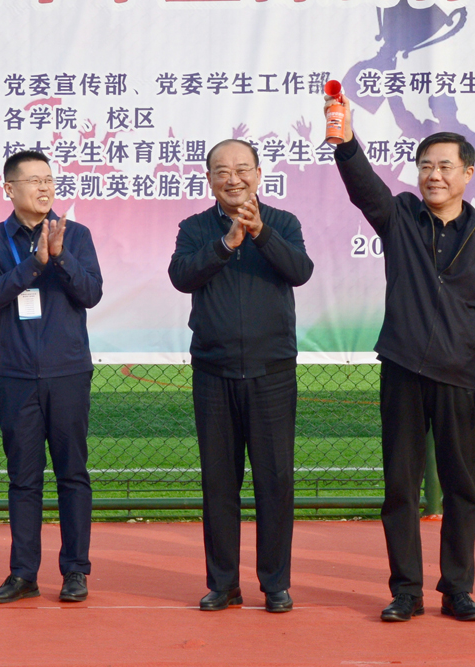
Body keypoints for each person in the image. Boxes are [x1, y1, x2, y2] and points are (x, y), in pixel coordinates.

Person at [326, 95, 475, 622]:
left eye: (445, 166)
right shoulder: (401, 217)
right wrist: (346, 141)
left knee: (461, 490)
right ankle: (406, 591)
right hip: (403, 370)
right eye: (426, 166)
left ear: (468, 173)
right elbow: (365, 189)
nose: (434, 175)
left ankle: (457, 590)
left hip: (459, 377)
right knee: (400, 488)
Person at [168, 139, 314, 612]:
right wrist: (226, 243)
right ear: (210, 179)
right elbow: (181, 276)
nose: (233, 179)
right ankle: (223, 584)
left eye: (242, 169)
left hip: (272, 372)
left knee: (275, 481)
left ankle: (275, 584)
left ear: (258, 174)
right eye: (222, 171)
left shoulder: (284, 223)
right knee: (219, 482)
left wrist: (260, 233)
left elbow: (300, 271)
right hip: (214, 372)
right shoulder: (194, 228)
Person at [0, 150, 103, 604]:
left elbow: (91, 293)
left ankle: (75, 571)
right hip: (16, 376)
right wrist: (34, 263)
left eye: (49, 179)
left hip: (68, 372)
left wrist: (60, 255)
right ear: (9, 189)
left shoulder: (77, 235)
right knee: (23, 478)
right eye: (34, 180)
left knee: (72, 474)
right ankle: (23, 574)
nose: (45, 187)